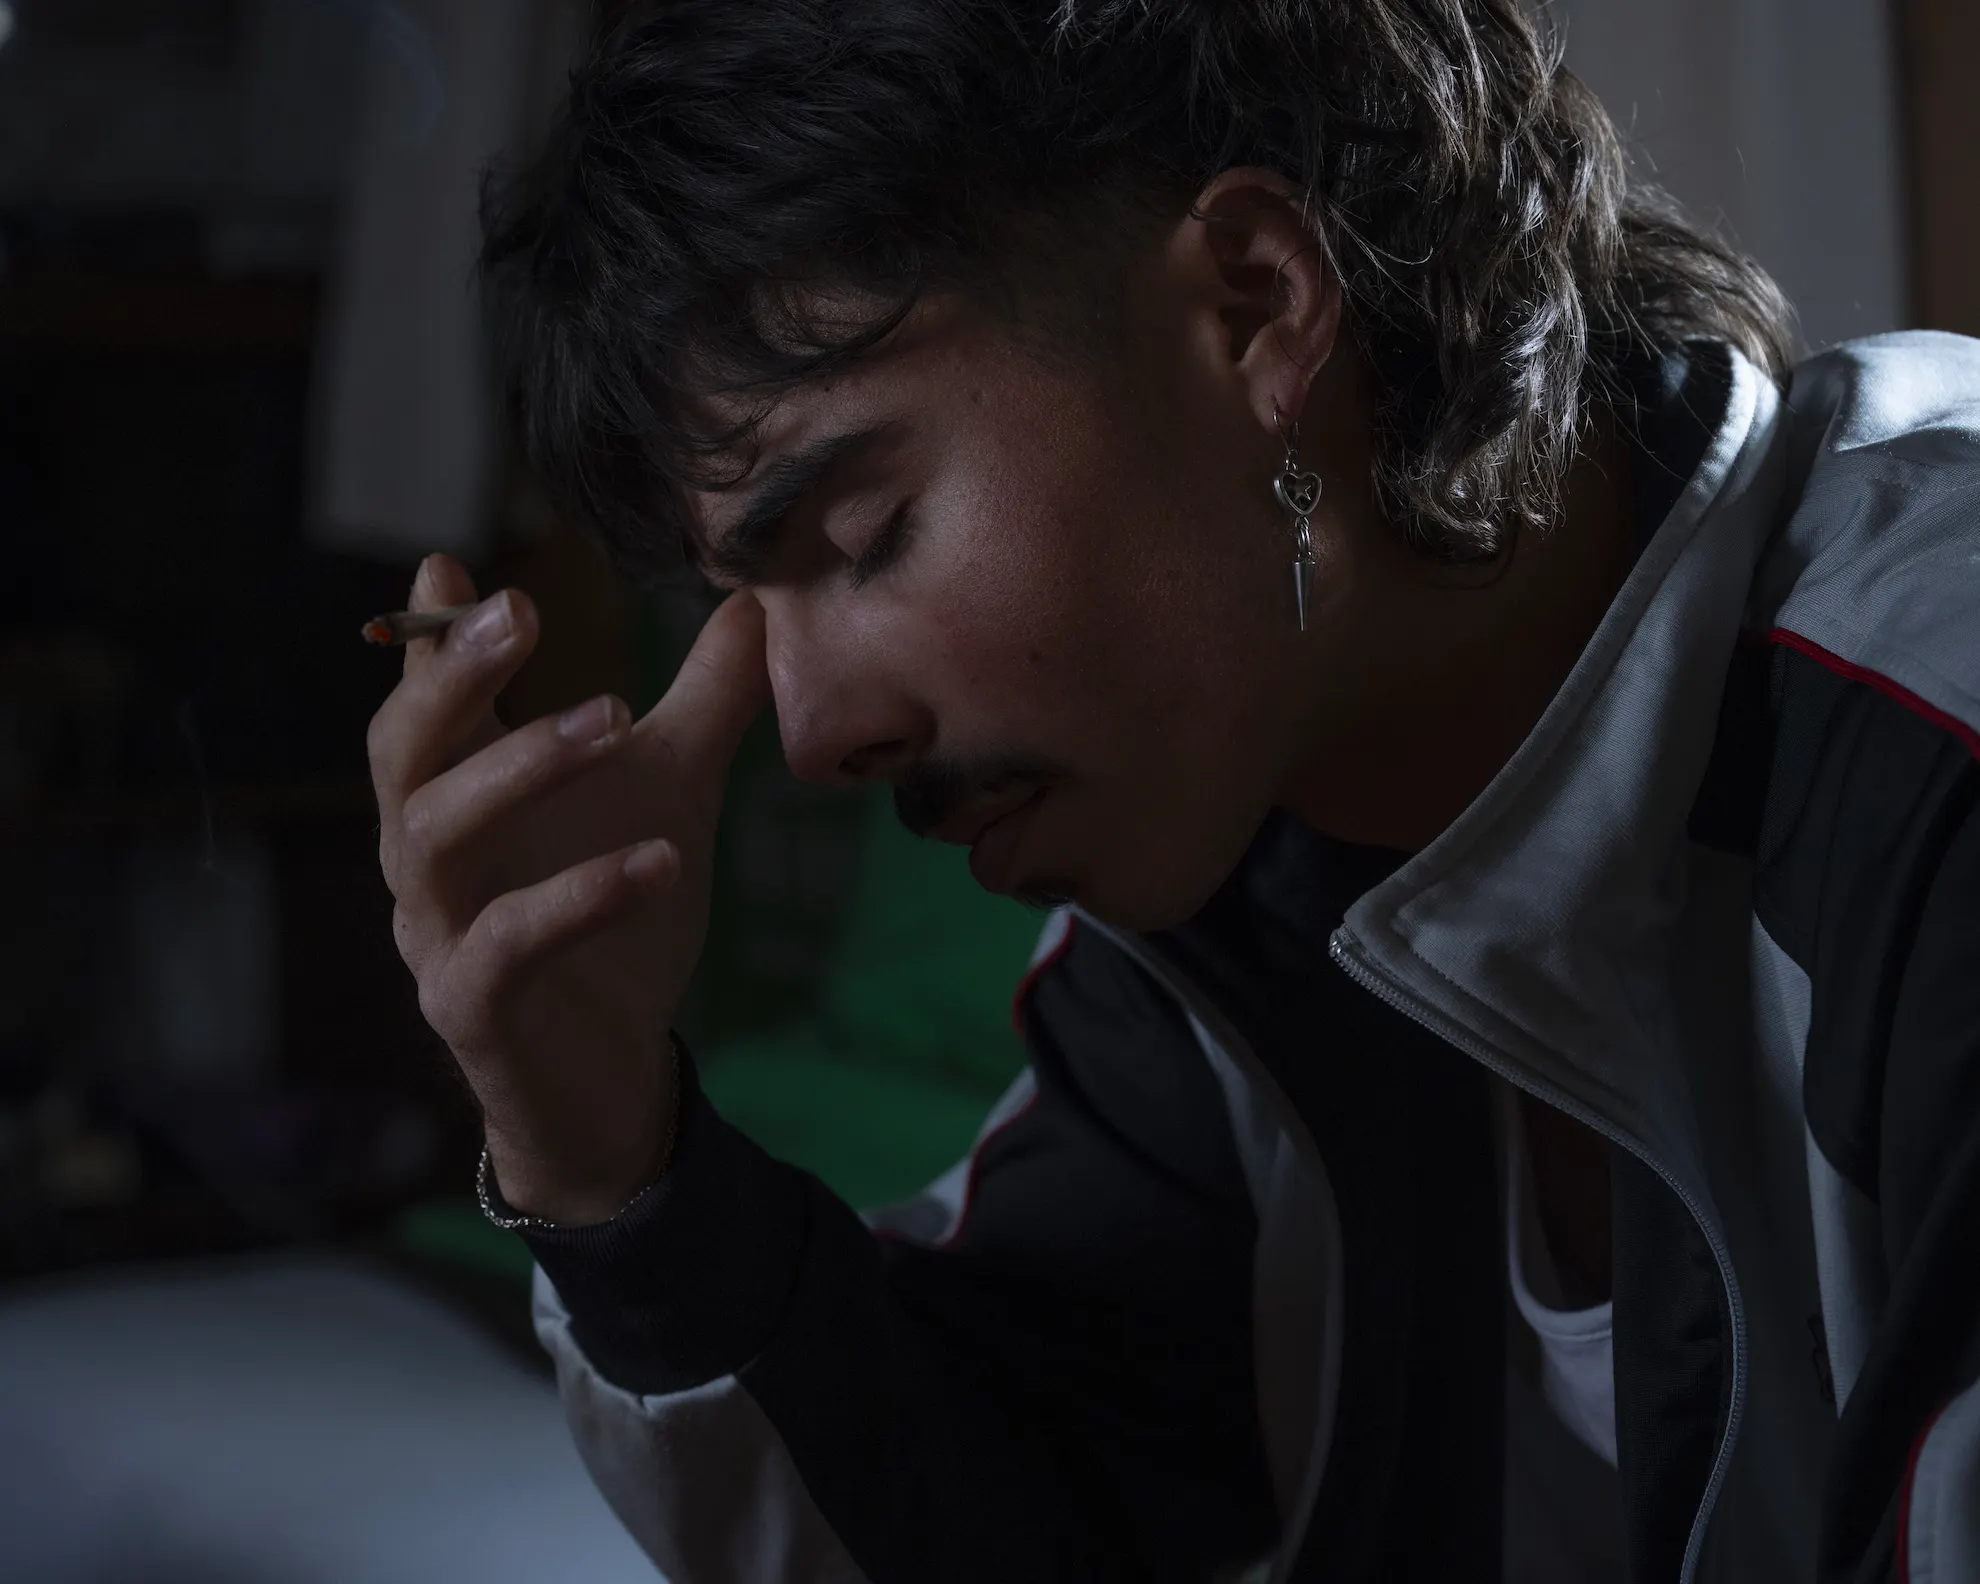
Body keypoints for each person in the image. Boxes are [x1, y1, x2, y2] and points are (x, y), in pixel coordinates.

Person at [365, 1, 1980, 1578]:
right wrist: (609, 1159)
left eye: (862, 537)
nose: (813, 735)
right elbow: (1009, 1495)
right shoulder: (1243, 904)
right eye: (747, 607)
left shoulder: (1939, 757)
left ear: (1257, 305)